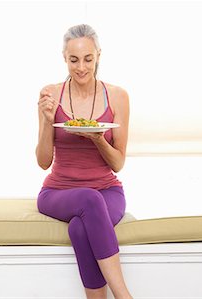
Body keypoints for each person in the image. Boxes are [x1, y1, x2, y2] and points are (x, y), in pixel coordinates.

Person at [36, 24, 132, 299]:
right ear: (64, 58)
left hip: (108, 192)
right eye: (73, 60)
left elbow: (118, 163)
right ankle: (125, 295)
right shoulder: (50, 94)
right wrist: (46, 122)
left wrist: (99, 139)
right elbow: (43, 162)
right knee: (88, 201)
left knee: (80, 227)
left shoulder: (117, 96)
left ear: (98, 55)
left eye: (88, 59)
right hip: (57, 192)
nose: (81, 68)